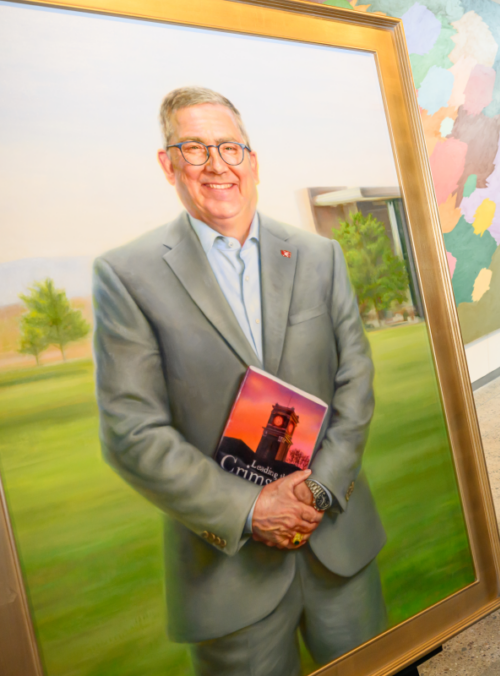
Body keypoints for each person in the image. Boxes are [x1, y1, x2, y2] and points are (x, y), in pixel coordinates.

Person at [93, 87, 388, 676]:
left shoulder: (318, 255)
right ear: (167, 163)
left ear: (252, 160)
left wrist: (316, 492)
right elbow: (132, 431)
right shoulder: (127, 275)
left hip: (339, 546)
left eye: (229, 147)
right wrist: (252, 508)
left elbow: (355, 379)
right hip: (227, 573)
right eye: (194, 148)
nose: (216, 164)